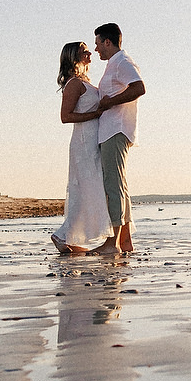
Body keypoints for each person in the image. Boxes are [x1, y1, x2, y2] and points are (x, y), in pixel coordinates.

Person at [50, 42, 113, 254]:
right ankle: (62, 235)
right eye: (84, 51)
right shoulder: (74, 84)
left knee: (91, 188)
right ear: (74, 57)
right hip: (84, 142)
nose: (89, 53)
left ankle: (69, 236)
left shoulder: (85, 82)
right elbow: (65, 116)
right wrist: (95, 114)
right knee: (86, 188)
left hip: (93, 139)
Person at [93, 22, 145, 255]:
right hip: (112, 130)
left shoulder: (122, 62)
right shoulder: (114, 64)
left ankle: (111, 243)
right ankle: (125, 242)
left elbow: (139, 88)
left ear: (107, 41)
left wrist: (109, 102)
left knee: (113, 186)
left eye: (98, 44)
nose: (96, 50)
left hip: (116, 130)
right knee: (120, 186)